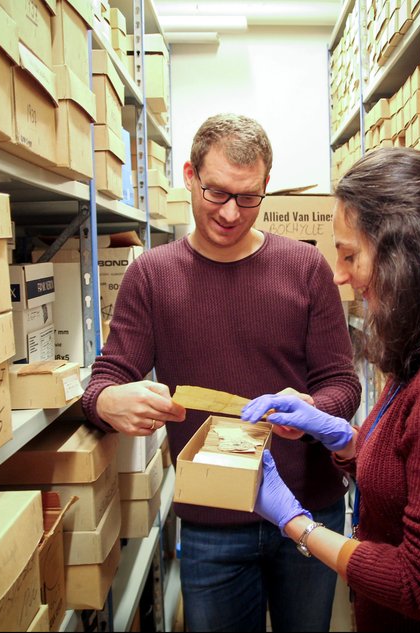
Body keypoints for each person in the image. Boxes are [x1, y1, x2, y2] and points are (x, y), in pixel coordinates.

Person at [80, 113, 362, 632]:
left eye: (249, 197)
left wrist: (314, 411)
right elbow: (105, 378)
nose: (232, 213)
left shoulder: (305, 268)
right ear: (189, 174)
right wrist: (106, 402)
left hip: (308, 511)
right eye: (216, 193)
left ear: (266, 189)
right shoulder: (151, 275)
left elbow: (343, 385)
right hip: (211, 523)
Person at [241, 147, 420, 631]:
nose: (338, 275)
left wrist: (296, 523)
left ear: (408, 255)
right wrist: (344, 440)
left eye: (350, 254)